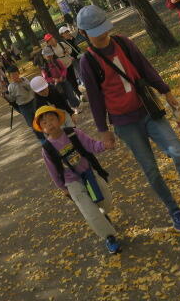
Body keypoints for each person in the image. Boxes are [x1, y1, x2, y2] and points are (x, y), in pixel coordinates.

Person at [76, 4, 180, 232]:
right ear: (83, 33)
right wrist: (103, 131)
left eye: (103, 28)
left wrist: (166, 91)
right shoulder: (88, 61)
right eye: (96, 32)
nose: (103, 34)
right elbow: (95, 99)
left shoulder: (124, 43)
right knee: (151, 170)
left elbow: (146, 68)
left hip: (148, 111)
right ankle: (173, 210)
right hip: (125, 123)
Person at [34, 106, 121, 254]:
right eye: (44, 123)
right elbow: (53, 171)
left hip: (88, 172)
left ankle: (103, 215)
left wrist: (104, 145)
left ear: (59, 120)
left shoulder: (73, 133)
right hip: (72, 182)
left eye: (51, 119)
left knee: (106, 200)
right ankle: (109, 237)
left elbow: (91, 144)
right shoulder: (47, 149)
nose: (49, 124)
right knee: (89, 211)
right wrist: (62, 188)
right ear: (42, 128)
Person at [2, 66, 45, 142]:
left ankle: (48, 133)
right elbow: (12, 99)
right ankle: (42, 140)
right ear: (10, 77)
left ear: (18, 73)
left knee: (40, 118)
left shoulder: (24, 80)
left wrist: (21, 83)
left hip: (32, 102)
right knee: (32, 123)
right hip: (23, 107)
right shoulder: (11, 86)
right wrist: (6, 97)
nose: (15, 77)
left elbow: (31, 88)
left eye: (16, 74)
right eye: (12, 76)